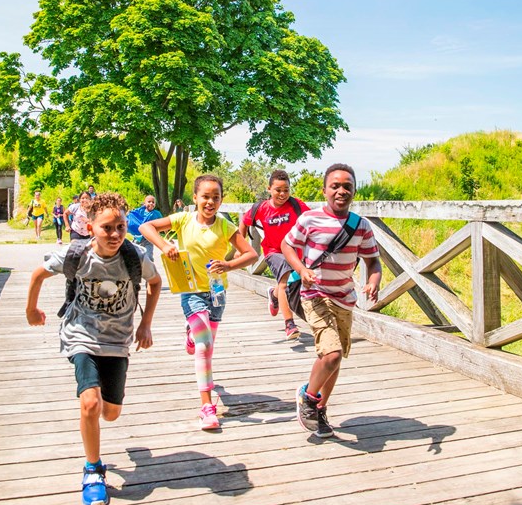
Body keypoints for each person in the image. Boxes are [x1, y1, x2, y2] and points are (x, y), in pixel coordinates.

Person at [26, 192, 162, 505]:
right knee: (90, 404)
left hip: (117, 340)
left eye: (120, 226)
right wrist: (31, 309)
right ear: (90, 227)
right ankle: (93, 470)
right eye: (106, 228)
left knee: (110, 413)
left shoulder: (134, 257)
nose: (115, 235)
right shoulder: (78, 256)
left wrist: (146, 324)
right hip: (80, 334)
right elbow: (37, 274)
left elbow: (155, 284)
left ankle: (97, 416)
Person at [140, 174, 258, 430]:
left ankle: (192, 334)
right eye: (205, 196)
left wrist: (228, 264)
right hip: (191, 291)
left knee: (206, 344)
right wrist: (164, 246)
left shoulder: (225, 226)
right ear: (194, 198)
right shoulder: (183, 219)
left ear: (221, 200)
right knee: (205, 346)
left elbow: (251, 254)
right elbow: (145, 228)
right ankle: (206, 406)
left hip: (217, 294)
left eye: (216, 197)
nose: (210, 202)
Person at [282, 163, 381, 438]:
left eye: (347, 186)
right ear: (324, 190)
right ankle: (308, 398)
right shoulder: (310, 220)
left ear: (354, 191)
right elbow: (287, 245)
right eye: (335, 186)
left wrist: (373, 281)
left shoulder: (361, 226)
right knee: (332, 353)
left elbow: (373, 262)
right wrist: (301, 270)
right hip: (314, 294)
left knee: (335, 359)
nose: (341, 191)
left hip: (344, 299)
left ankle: (321, 408)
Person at [239, 169, 310, 341]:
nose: (282, 194)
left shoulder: (296, 205)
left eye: (286, 190)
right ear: (269, 189)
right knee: (285, 282)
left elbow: (312, 218)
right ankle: (289, 324)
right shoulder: (261, 209)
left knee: (285, 286)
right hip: (273, 252)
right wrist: (241, 246)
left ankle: (274, 294)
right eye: (278, 190)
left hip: (295, 253)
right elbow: (244, 222)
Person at [127, 195, 163, 261]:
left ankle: (149, 269)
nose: (151, 203)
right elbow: (133, 217)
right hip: (138, 238)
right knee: (134, 256)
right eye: (149, 202)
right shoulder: (140, 211)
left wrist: (167, 235)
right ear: (145, 203)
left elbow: (163, 223)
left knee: (149, 256)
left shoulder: (157, 213)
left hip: (149, 239)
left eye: (153, 202)